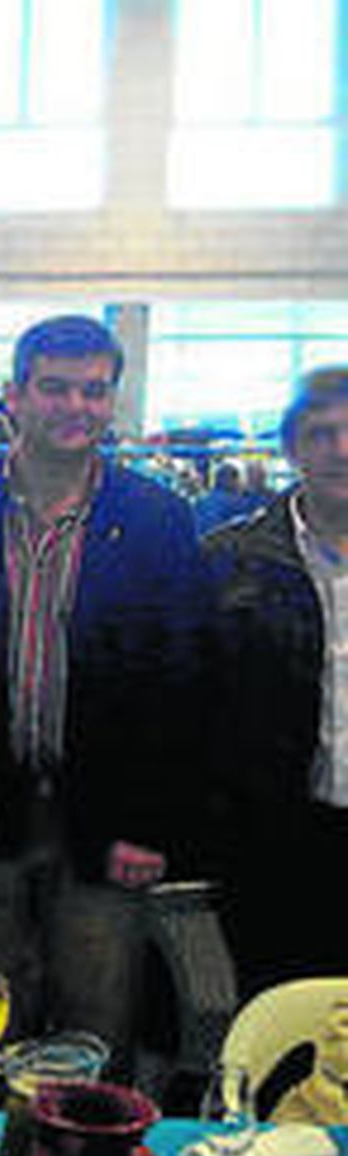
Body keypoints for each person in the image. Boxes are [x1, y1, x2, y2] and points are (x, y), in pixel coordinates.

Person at [0, 315, 206, 1062]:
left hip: (108, 819)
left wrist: (153, 823)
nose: (76, 407)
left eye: (94, 391)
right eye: (55, 388)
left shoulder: (157, 518)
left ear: (113, 400)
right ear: (15, 394)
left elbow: (182, 680)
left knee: (94, 1029)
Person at [203, 367, 348, 995]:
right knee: (279, 1022)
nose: (342, 450)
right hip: (276, 843)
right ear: (291, 449)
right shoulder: (227, 560)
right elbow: (194, 704)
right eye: (322, 433)